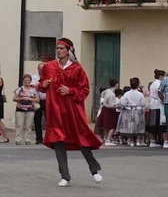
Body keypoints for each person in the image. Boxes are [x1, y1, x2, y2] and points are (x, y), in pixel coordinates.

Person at [40, 38, 103, 187]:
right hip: (55, 110)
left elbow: (84, 90)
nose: (58, 51)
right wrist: (43, 84)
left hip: (72, 111)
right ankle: (65, 176)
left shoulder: (77, 69)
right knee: (58, 140)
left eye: (62, 48)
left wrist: (70, 90)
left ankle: (94, 169)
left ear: (69, 51)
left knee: (81, 139)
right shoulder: (49, 67)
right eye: (57, 48)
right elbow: (41, 86)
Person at [116, 78, 146, 147]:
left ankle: (131, 140)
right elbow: (143, 103)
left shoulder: (127, 94)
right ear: (138, 84)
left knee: (129, 125)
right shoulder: (140, 94)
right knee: (138, 125)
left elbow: (123, 103)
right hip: (138, 110)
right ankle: (138, 140)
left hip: (129, 111)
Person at [13, 74, 40, 145]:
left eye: (28, 80)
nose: (27, 82)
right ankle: (18, 139)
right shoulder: (19, 89)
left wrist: (30, 99)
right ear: (23, 81)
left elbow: (37, 99)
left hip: (30, 109)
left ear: (30, 81)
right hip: (20, 109)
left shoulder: (33, 90)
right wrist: (21, 98)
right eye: (25, 80)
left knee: (28, 125)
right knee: (19, 125)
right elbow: (14, 98)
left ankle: (27, 139)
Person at [32, 54, 51, 144]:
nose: (41, 70)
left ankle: (49, 137)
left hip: (47, 100)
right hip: (38, 100)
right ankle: (39, 138)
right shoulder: (34, 77)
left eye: (43, 69)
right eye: (40, 69)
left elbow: (38, 86)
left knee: (49, 120)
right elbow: (33, 87)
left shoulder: (49, 77)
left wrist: (38, 86)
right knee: (37, 120)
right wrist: (39, 86)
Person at [95, 78, 120, 145]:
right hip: (109, 110)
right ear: (116, 85)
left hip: (104, 109)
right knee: (112, 126)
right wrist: (117, 106)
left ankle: (106, 138)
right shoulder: (112, 94)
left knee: (106, 125)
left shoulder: (106, 91)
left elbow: (102, 95)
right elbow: (111, 105)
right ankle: (108, 139)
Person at [147, 70, 165, 147]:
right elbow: (160, 94)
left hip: (153, 105)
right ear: (161, 76)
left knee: (153, 123)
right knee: (159, 123)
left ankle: (153, 140)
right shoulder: (159, 84)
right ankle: (162, 141)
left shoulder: (153, 83)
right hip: (158, 105)